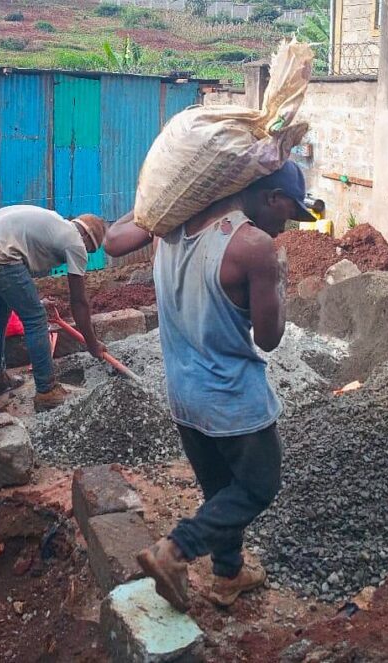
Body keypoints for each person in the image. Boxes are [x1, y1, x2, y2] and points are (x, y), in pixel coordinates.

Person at [104, 160, 314, 611]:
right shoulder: (256, 247)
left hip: (183, 397)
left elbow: (115, 238)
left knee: (221, 495)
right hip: (234, 402)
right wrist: (278, 278)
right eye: (288, 214)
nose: (285, 226)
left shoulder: (171, 228)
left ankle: (228, 574)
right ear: (271, 196)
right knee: (258, 486)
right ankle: (175, 550)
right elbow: (269, 338)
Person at [0, 205, 108, 411]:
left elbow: (19, 273)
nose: (85, 254)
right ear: (86, 237)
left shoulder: (55, 222)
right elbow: (79, 301)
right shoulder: (75, 241)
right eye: (90, 250)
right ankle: (46, 390)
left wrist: (36, 301)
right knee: (35, 319)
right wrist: (92, 343)